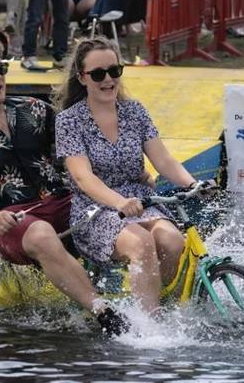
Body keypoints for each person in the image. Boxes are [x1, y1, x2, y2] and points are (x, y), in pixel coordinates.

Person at [0, 34, 127, 336]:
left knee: (125, 217)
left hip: (64, 204)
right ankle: (106, 315)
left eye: (0, 68)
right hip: (12, 222)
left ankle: (155, 305)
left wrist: (129, 175)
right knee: (40, 234)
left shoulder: (35, 110)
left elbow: (81, 149)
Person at [53, 36, 214, 313]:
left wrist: (193, 184)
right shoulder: (68, 121)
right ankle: (146, 327)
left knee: (173, 241)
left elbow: (163, 160)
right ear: (82, 78)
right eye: (98, 74)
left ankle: (156, 307)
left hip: (139, 201)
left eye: (114, 71)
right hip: (96, 209)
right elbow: (83, 178)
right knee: (142, 244)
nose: (108, 79)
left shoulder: (135, 111)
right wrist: (119, 202)